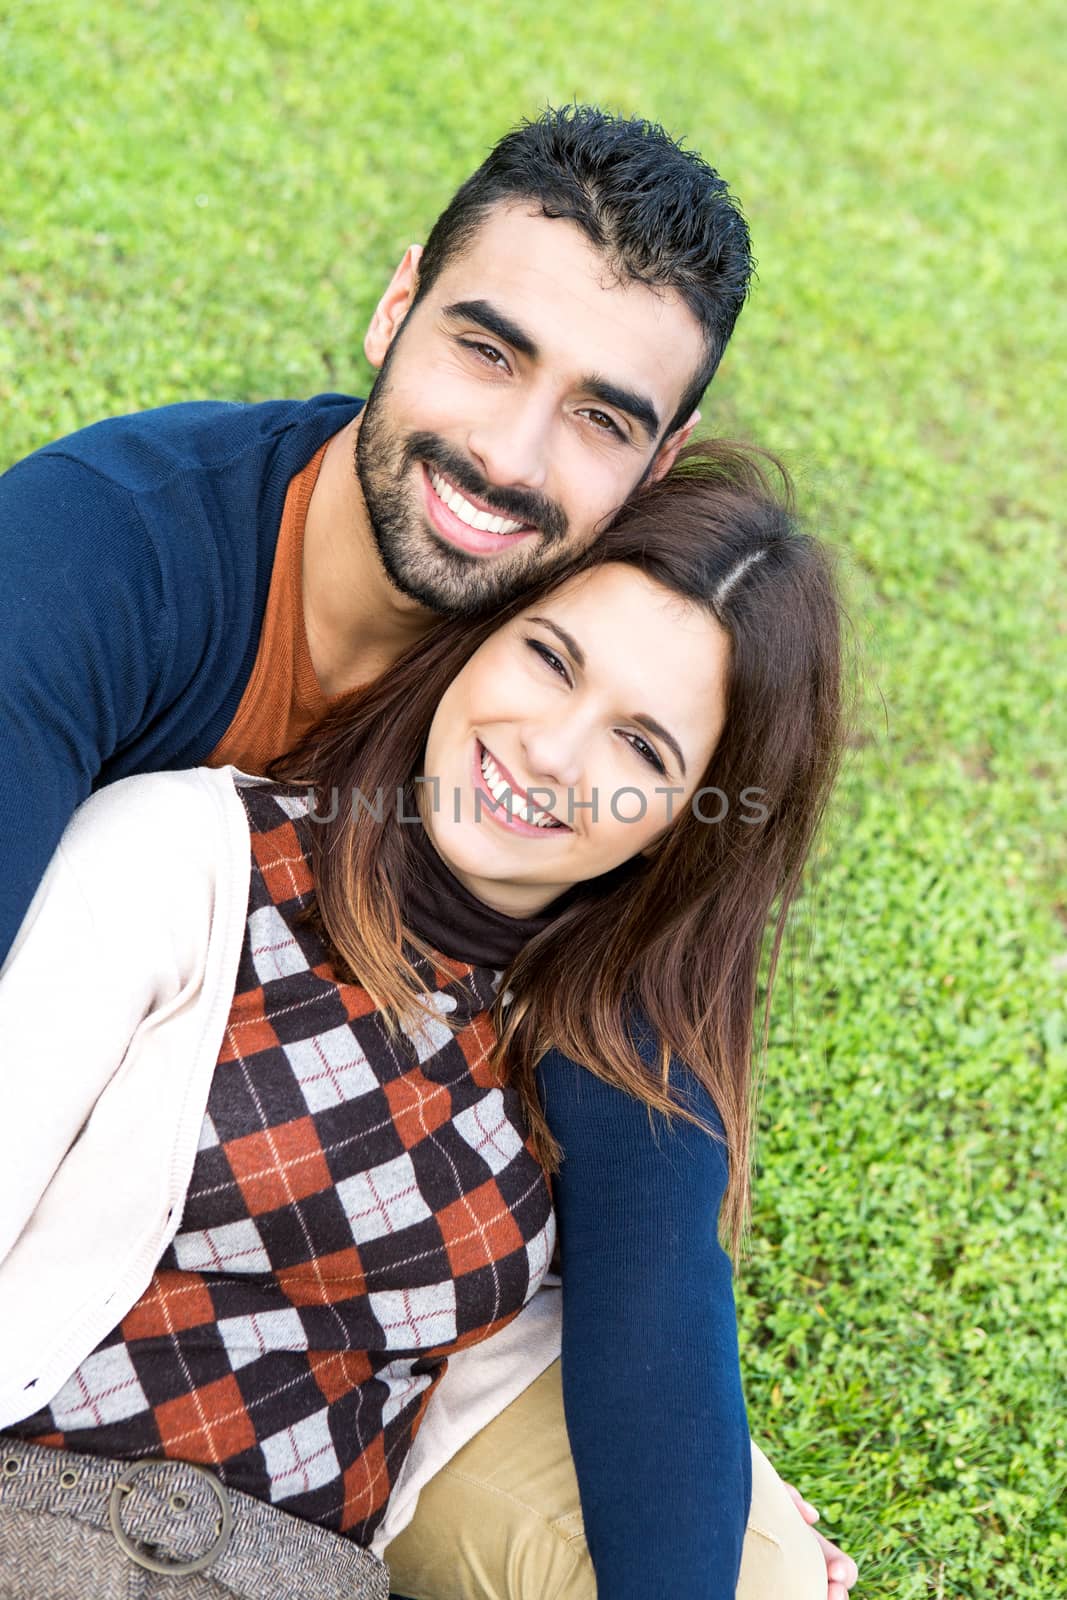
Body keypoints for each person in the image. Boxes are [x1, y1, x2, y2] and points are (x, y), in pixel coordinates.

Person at [0, 106, 857, 1598]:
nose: (508, 458)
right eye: (488, 347)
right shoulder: (95, 569)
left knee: (754, 1561)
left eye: (600, 415)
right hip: (81, 1286)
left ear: (661, 468)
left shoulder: (603, 676)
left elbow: (654, 1242)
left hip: (362, 1398)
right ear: (397, 304)